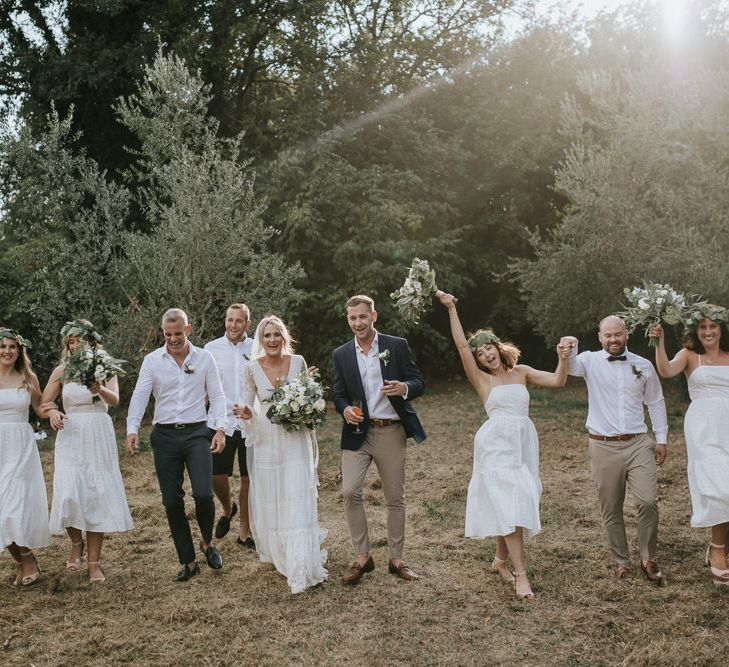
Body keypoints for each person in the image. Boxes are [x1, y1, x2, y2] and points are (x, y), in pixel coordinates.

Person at [437, 291, 569, 599]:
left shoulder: (521, 373)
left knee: (519, 498)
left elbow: (558, 381)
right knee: (511, 501)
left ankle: (499, 561)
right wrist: (452, 308)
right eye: (480, 353)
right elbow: (460, 345)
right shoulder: (482, 381)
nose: (485, 354)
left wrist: (563, 359)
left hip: (522, 442)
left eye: (488, 348)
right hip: (495, 444)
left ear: (498, 347)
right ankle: (521, 575)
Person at [560, 316, 668, 584]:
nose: (613, 340)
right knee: (611, 508)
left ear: (626, 334)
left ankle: (648, 557)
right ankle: (621, 561)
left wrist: (662, 438)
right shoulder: (588, 361)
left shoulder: (643, 365)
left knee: (647, 501)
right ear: (599, 337)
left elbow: (655, 401)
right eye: (607, 335)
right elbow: (570, 366)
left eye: (617, 334)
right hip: (602, 445)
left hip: (638, 443)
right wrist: (567, 346)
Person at [125, 308, 227, 581]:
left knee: (204, 494)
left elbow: (217, 396)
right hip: (165, 437)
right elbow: (140, 395)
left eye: (178, 334)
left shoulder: (204, 358)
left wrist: (220, 429)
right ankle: (189, 561)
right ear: (163, 333)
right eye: (168, 334)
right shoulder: (152, 361)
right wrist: (132, 429)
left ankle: (208, 543)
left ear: (188, 329)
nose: (173, 339)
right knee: (171, 502)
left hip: (197, 433)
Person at [332, 294, 426, 585]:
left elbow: (418, 382)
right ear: (348, 320)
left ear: (374, 316)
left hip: (391, 430)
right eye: (352, 318)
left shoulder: (396, 346)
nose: (357, 323)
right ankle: (363, 557)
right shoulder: (341, 354)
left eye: (362, 316)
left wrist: (404, 387)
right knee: (349, 491)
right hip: (358, 433)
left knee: (395, 497)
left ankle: (397, 559)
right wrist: (345, 408)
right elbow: (338, 393)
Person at [235, 315, 327, 594]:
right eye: (267, 336)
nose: (272, 340)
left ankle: (300, 560)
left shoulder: (298, 362)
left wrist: (308, 409)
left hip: (294, 438)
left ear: (284, 337)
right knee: (274, 494)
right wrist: (247, 414)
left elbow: (308, 398)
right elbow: (247, 407)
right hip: (266, 439)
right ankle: (280, 555)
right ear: (261, 340)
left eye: (277, 335)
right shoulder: (251, 368)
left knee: (297, 492)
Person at [39, 319, 133, 583]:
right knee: (69, 492)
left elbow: (114, 400)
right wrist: (54, 411)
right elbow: (44, 402)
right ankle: (75, 543)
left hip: (97, 433)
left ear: (91, 341)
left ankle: (94, 564)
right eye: (71, 341)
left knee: (95, 496)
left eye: (80, 339)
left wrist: (99, 387)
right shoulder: (62, 370)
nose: (75, 344)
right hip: (70, 434)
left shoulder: (104, 367)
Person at [650, 305, 729, 587]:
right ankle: (718, 550)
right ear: (697, 330)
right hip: (704, 426)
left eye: (713, 327)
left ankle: (720, 546)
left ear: (722, 330)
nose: (708, 332)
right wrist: (659, 342)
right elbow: (665, 370)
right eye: (703, 327)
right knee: (719, 485)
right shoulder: (689, 356)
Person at [0, 328, 50, 586]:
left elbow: (40, 407)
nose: (7, 351)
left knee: (13, 504)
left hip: (19, 444)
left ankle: (28, 559)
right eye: (3, 346)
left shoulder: (27, 376)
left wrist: (53, 411)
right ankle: (21, 561)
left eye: (12, 346)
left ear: (19, 350)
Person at [204, 303, 255, 548]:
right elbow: (203, 385)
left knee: (248, 478)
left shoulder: (257, 347)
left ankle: (244, 532)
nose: (233, 325)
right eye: (229, 319)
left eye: (238, 320)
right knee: (216, 475)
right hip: (219, 422)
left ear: (247, 323)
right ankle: (227, 508)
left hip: (249, 421)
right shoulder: (211, 349)